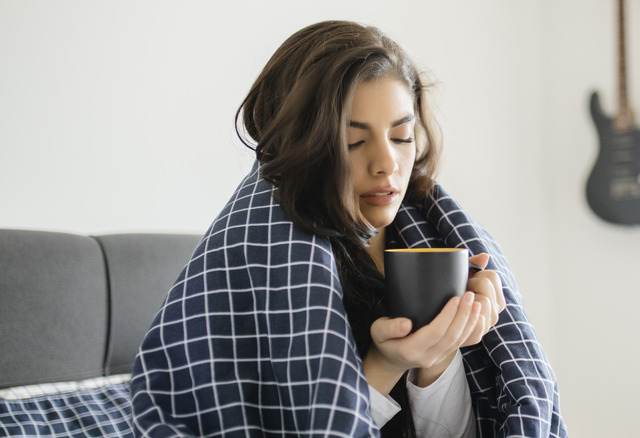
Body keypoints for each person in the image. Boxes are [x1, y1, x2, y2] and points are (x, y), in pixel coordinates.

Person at [131, 20, 567, 437]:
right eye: (352, 141)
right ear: (300, 146)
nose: (386, 165)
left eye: (401, 137)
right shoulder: (259, 253)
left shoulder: (434, 237)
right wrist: (385, 363)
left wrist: (438, 356)